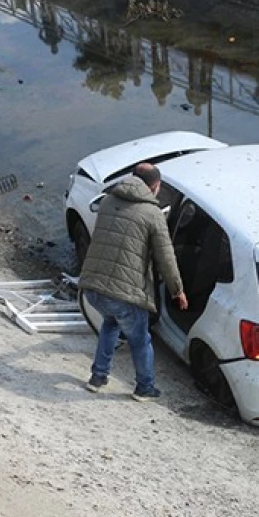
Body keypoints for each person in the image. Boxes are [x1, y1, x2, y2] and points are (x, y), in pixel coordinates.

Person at [78, 163, 188, 401]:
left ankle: (98, 377)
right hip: (123, 293)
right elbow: (166, 258)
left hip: (93, 287)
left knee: (111, 323)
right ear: (155, 186)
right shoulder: (152, 214)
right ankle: (144, 387)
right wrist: (177, 290)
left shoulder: (107, 201)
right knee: (140, 339)